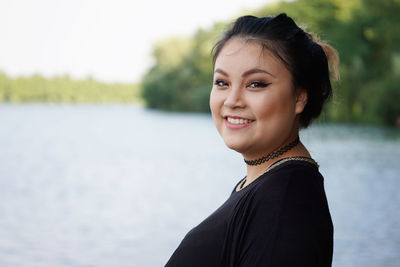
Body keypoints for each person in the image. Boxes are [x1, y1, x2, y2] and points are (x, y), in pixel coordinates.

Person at [165, 13, 339, 267]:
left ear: (300, 97)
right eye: (222, 82)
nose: (232, 99)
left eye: (256, 84)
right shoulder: (264, 184)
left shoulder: (286, 203)